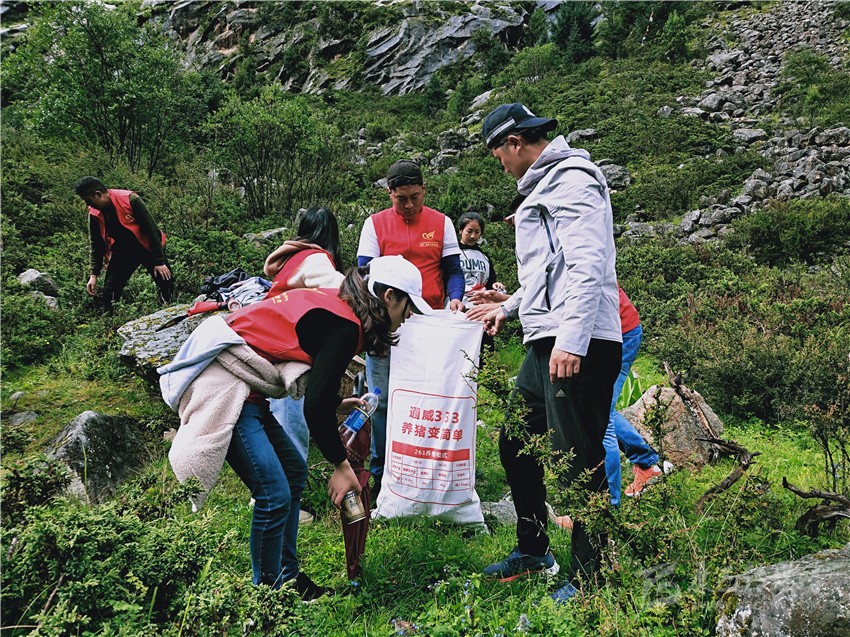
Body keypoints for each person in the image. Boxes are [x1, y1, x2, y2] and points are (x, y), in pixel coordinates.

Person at [164, 256, 431, 600]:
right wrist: (341, 466)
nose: (408, 317)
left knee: (292, 470)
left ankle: (287, 579)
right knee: (273, 494)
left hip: (247, 386)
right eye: (409, 308)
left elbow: (316, 385)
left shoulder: (340, 306)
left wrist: (334, 402)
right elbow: (313, 408)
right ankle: (267, 598)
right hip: (227, 386)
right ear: (390, 296)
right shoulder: (346, 324)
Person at [475, 103, 622, 603]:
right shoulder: (544, 187)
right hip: (546, 343)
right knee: (516, 442)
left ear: (514, 143)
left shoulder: (573, 179)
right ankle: (534, 549)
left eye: (498, 155)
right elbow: (547, 273)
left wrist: (572, 340)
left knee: (579, 462)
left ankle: (590, 579)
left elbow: (587, 264)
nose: (501, 165)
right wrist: (508, 307)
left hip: (579, 344)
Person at [356, 160, 465, 498]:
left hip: (429, 325)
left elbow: (453, 271)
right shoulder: (375, 225)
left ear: (424, 190)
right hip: (385, 326)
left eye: (415, 197)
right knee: (381, 401)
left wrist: (456, 299)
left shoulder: (441, 223)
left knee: (428, 396)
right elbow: (363, 276)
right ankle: (381, 474)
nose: (408, 205)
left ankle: (424, 470)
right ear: (389, 193)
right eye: (400, 198)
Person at [264, 206, 347, 469]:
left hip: (272, 343)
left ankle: (281, 481)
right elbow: (340, 289)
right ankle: (291, 486)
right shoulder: (315, 258)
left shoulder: (291, 258)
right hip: (288, 350)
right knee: (291, 425)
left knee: (280, 419)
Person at [74, 176, 173, 313]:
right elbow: (96, 244)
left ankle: (165, 313)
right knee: (110, 292)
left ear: (98, 194)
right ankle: (110, 321)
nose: (88, 205)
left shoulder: (130, 199)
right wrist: (93, 275)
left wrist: (159, 261)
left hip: (146, 246)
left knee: (166, 283)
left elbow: (151, 230)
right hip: (124, 250)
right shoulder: (94, 213)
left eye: (88, 200)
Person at [605, 287, 662, 503]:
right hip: (611, 331)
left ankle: (604, 506)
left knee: (600, 413)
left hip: (618, 333)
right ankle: (647, 462)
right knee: (599, 409)